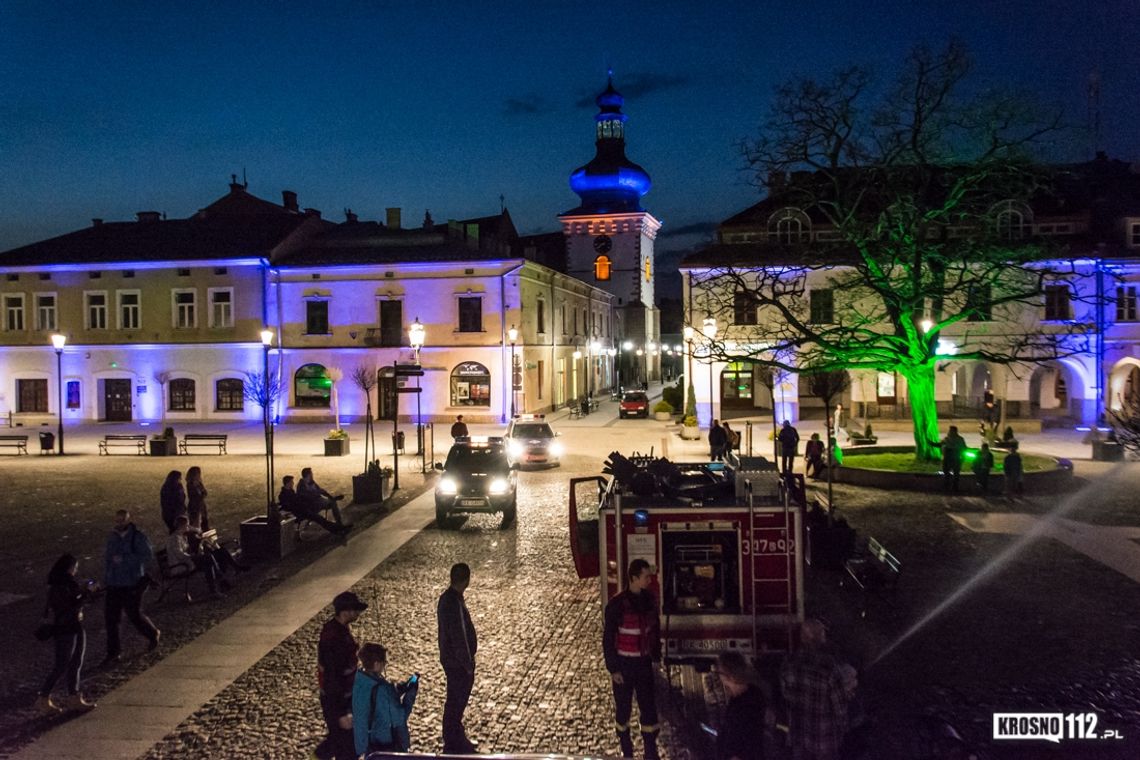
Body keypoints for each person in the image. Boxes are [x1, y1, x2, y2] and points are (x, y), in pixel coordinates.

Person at [603, 558, 661, 760]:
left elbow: (654, 628)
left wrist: (656, 654)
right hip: (624, 665)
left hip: (643, 663)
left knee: (648, 706)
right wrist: (614, 669)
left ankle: (650, 750)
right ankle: (626, 746)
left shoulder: (649, 600)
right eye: (646, 576)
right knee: (623, 707)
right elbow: (608, 639)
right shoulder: (617, 605)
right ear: (634, 578)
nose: (649, 580)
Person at [780, 619, 852, 760]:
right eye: (823, 633)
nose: (825, 636)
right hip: (824, 740)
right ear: (816, 637)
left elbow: (786, 696)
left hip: (799, 736)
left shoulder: (788, 662)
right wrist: (844, 729)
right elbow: (840, 708)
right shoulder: (829, 666)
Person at [36, 554, 97, 713]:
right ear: (70, 567)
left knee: (76, 662)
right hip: (65, 628)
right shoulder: (61, 585)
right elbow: (71, 606)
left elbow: (75, 601)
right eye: (75, 567)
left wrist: (86, 592)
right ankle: (43, 698)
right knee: (62, 665)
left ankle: (73, 697)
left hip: (75, 626)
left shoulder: (67, 583)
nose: (76, 570)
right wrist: (86, 593)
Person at [102, 510, 160, 666]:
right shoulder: (113, 537)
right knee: (111, 619)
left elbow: (147, 555)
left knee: (133, 613)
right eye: (117, 521)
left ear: (128, 520)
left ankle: (152, 633)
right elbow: (108, 558)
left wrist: (125, 559)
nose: (119, 524)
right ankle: (113, 652)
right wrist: (106, 579)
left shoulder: (138, 536)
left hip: (131, 581)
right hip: (114, 582)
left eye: (122, 521)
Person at [316, 591, 368, 760]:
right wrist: (341, 713)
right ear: (345, 612)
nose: (357, 614)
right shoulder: (334, 639)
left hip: (344, 698)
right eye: (354, 610)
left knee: (339, 742)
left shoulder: (338, 630)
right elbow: (332, 678)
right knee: (345, 748)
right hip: (337, 701)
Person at [437, 562, 478, 754]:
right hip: (457, 663)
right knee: (456, 700)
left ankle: (454, 734)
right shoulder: (453, 603)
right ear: (466, 580)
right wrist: (467, 663)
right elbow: (459, 635)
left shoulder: (447, 599)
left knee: (454, 699)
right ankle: (453, 738)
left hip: (451, 660)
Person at [352, 643, 419, 755]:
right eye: (384, 662)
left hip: (365, 745)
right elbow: (399, 718)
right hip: (384, 746)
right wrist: (410, 695)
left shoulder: (358, 681)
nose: (384, 665)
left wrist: (396, 691)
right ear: (376, 664)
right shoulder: (382, 690)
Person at [715, 651, 766, 760]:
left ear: (728, 675)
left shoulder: (744, 703)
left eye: (720, 672)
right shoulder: (749, 694)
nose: (719, 677)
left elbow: (744, 736)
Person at [165, 516, 225, 598]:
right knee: (207, 559)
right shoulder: (175, 538)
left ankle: (215, 586)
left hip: (185, 562)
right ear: (182, 526)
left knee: (208, 560)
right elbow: (179, 554)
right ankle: (218, 580)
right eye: (187, 525)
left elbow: (196, 531)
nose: (188, 527)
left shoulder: (181, 536)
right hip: (180, 565)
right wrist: (191, 556)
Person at [280, 476, 350, 535]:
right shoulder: (283, 495)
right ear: (288, 483)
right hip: (300, 513)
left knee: (320, 518)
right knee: (320, 519)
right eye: (291, 482)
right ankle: (338, 529)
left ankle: (338, 528)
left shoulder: (291, 491)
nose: (293, 483)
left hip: (304, 510)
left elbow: (298, 501)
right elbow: (289, 507)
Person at [939, 425, 967, 493]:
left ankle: (954, 487)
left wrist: (963, 457)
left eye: (951, 430)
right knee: (946, 473)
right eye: (950, 430)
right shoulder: (946, 438)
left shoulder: (959, 439)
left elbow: (964, 448)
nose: (949, 432)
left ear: (954, 431)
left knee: (956, 474)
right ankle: (947, 486)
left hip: (955, 458)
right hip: (948, 458)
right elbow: (939, 444)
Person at [185, 465, 210, 532]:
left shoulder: (199, 483)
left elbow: (205, 493)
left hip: (201, 505)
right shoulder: (190, 484)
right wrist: (201, 494)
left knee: (205, 523)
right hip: (195, 506)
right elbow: (195, 496)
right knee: (195, 525)